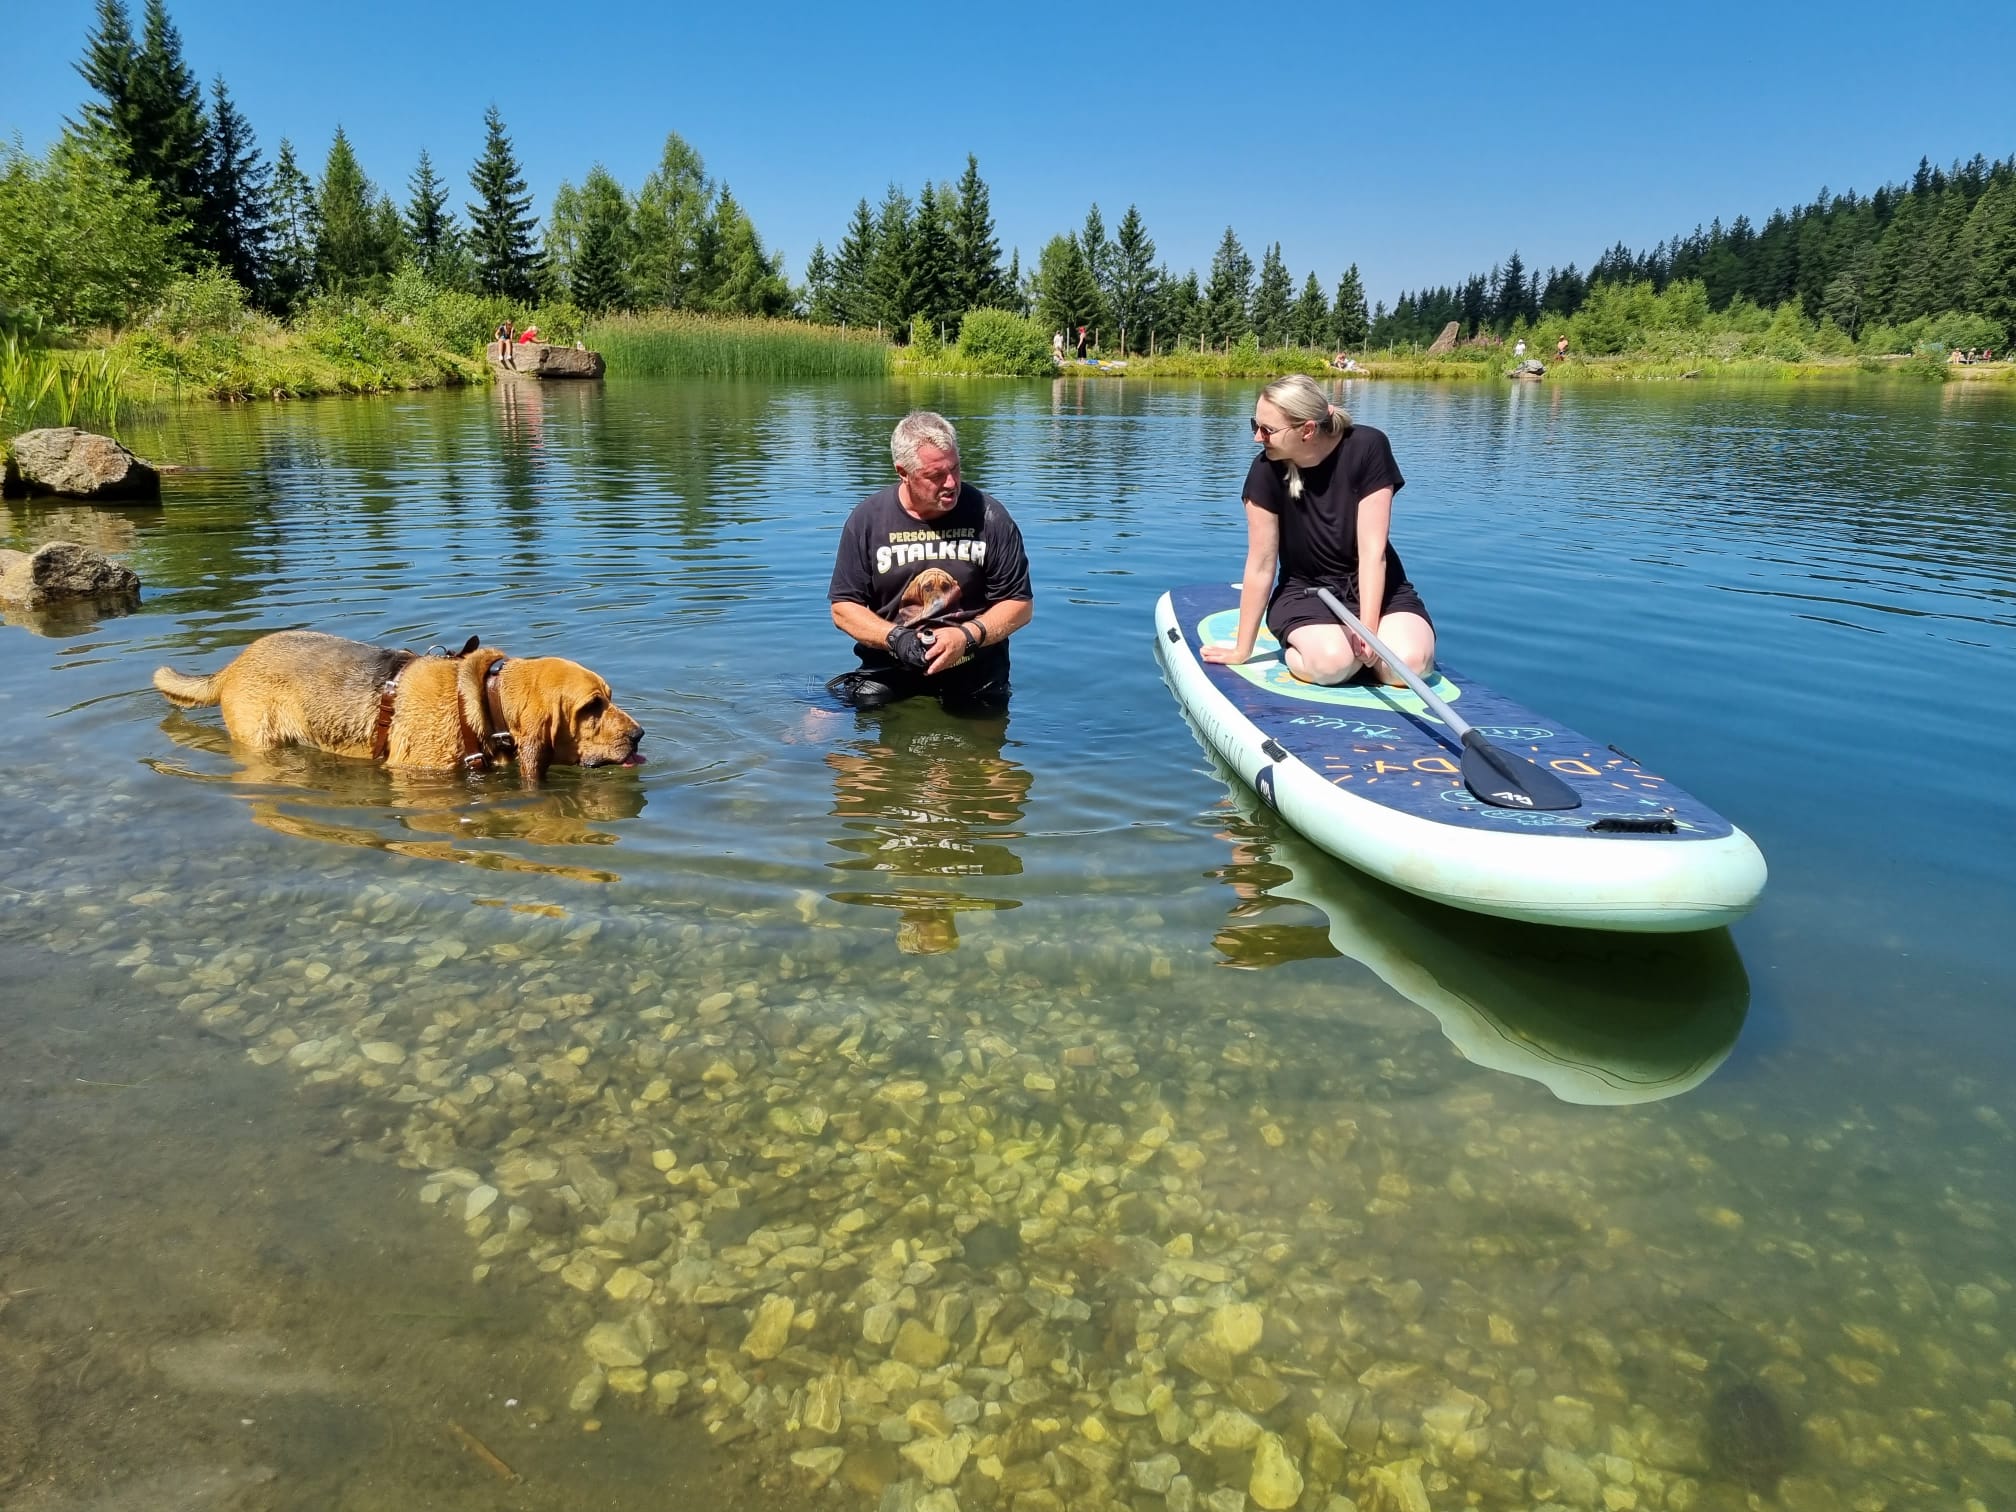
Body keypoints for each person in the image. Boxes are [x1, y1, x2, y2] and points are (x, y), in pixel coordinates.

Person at [1202, 373, 1434, 687]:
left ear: (1308, 430)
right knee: (1331, 665)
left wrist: (1367, 630)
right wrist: (1242, 650)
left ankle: (1367, 657)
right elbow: (1261, 564)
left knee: (1409, 666)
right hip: (1307, 591)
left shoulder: (1368, 447)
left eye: (1267, 430)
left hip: (1381, 588)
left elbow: (1372, 551)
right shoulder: (1264, 472)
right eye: (1254, 425)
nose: (1257, 437)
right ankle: (1325, 653)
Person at [828, 411, 1034, 711]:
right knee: (823, 725)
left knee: (983, 734)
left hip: (974, 668)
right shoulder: (867, 520)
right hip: (891, 665)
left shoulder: (991, 518)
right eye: (936, 475)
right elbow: (843, 609)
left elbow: (1020, 606)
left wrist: (966, 636)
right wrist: (896, 638)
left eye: (955, 468)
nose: (951, 483)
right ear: (903, 472)